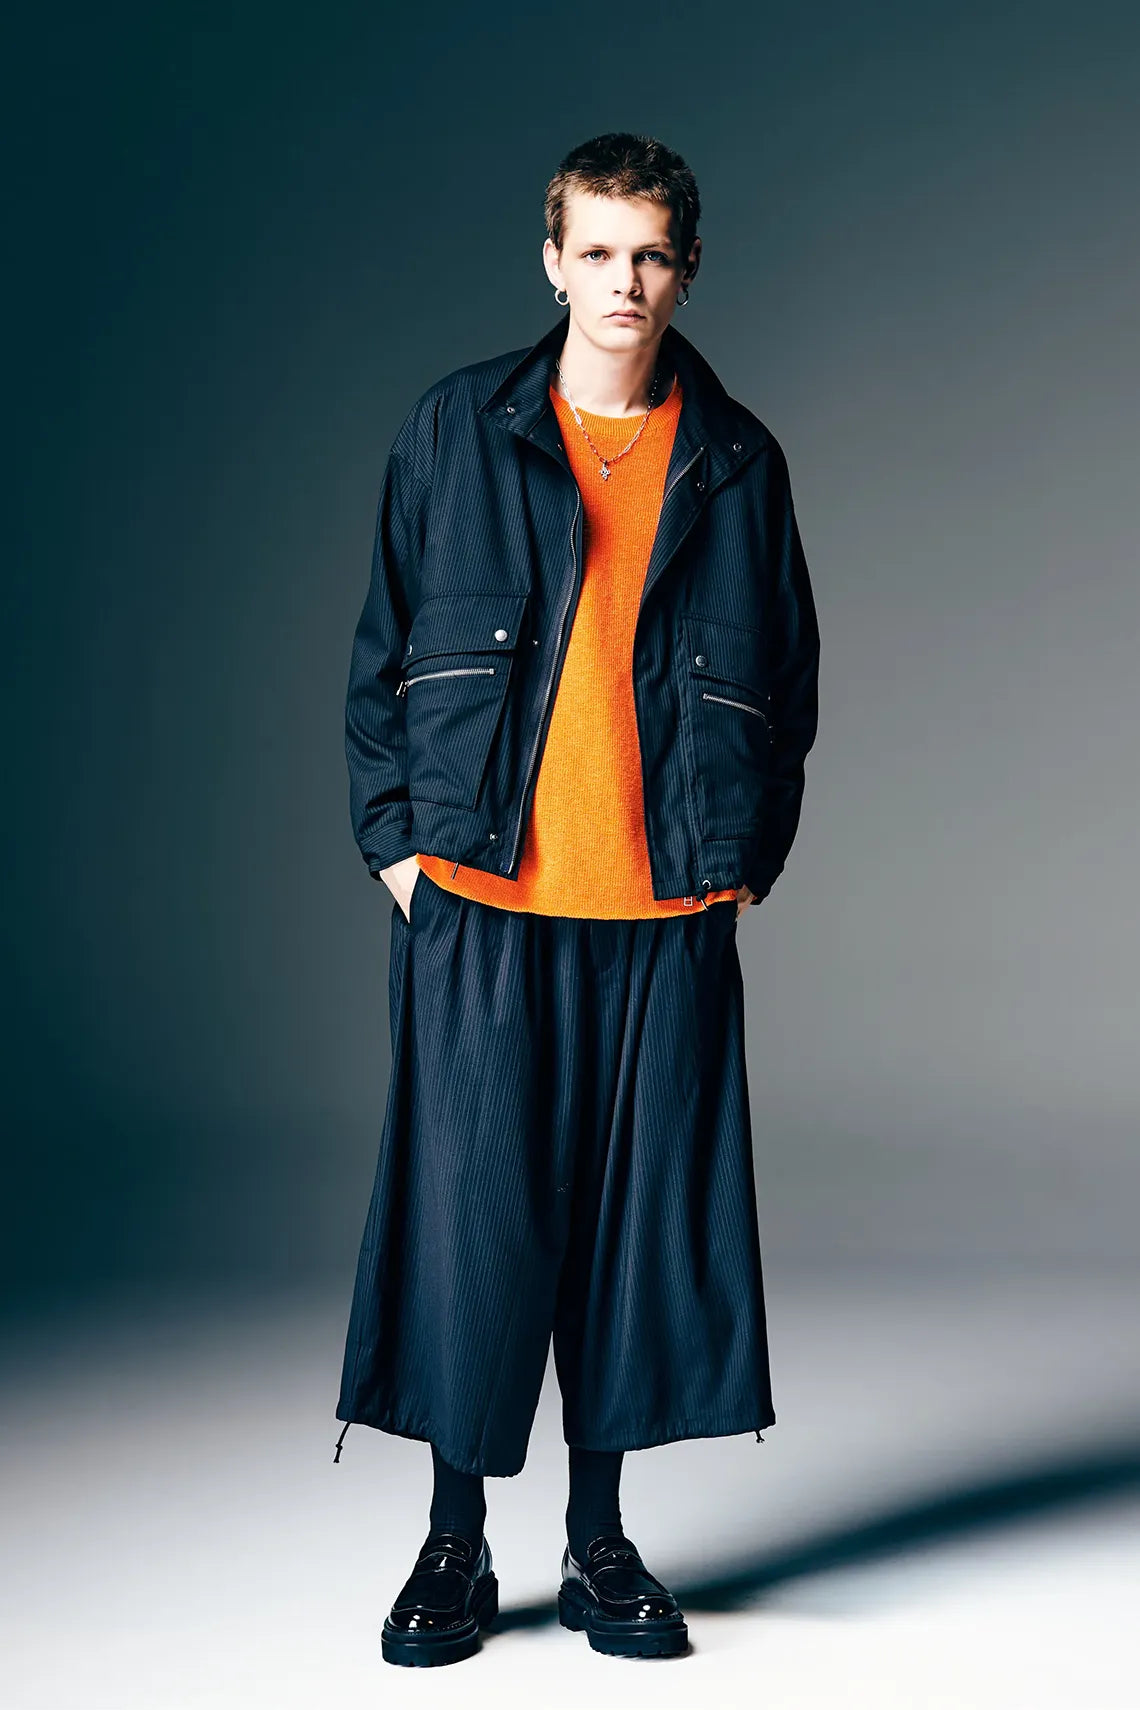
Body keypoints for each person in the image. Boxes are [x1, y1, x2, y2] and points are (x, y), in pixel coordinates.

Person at [332, 131, 821, 1667]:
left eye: (650, 253)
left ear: (688, 268)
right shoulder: (455, 430)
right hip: (483, 904)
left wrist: (742, 863)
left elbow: (789, 685)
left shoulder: (736, 461)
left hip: (663, 922)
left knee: (632, 1240)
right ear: (553, 261)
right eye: (598, 251)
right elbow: (378, 658)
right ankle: (453, 1541)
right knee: (471, 1231)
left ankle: (599, 1541)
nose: (625, 281)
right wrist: (398, 853)